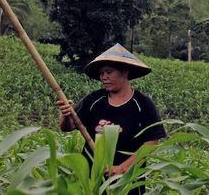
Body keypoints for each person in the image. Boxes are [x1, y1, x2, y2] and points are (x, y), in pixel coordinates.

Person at [56, 43, 166, 193]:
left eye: (109, 72)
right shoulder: (94, 100)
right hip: (92, 180)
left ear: (125, 71)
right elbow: (67, 127)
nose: (104, 77)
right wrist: (66, 114)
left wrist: (122, 168)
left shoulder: (142, 105)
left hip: (127, 183)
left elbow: (151, 142)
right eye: (101, 73)